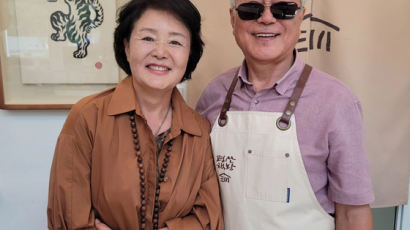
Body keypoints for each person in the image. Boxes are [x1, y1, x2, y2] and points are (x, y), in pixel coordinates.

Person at [195, 0, 374, 229]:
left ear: (300, 18)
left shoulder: (337, 102)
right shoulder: (213, 94)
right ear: (233, 19)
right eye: (252, 9)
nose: (267, 18)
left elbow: (352, 214)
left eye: (284, 9)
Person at [47, 0, 224, 229]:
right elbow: (67, 217)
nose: (160, 52)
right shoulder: (88, 117)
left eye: (175, 42)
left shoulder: (199, 130)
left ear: (190, 55)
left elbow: (207, 219)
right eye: (148, 38)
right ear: (127, 47)